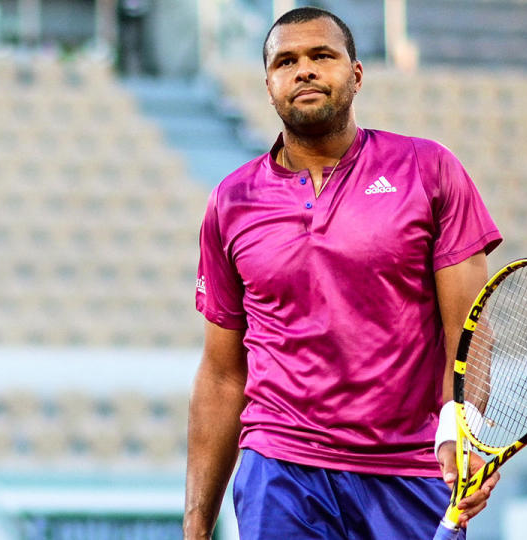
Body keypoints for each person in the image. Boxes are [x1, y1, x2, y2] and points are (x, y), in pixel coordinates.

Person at [185, 7, 502, 539]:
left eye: (321, 56)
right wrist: (196, 528)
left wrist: (460, 429)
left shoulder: (428, 170)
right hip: (280, 468)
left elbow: (469, 335)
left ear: (356, 74)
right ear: (269, 85)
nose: (304, 70)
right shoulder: (230, 201)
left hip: (408, 470)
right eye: (286, 61)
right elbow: (222, 374)